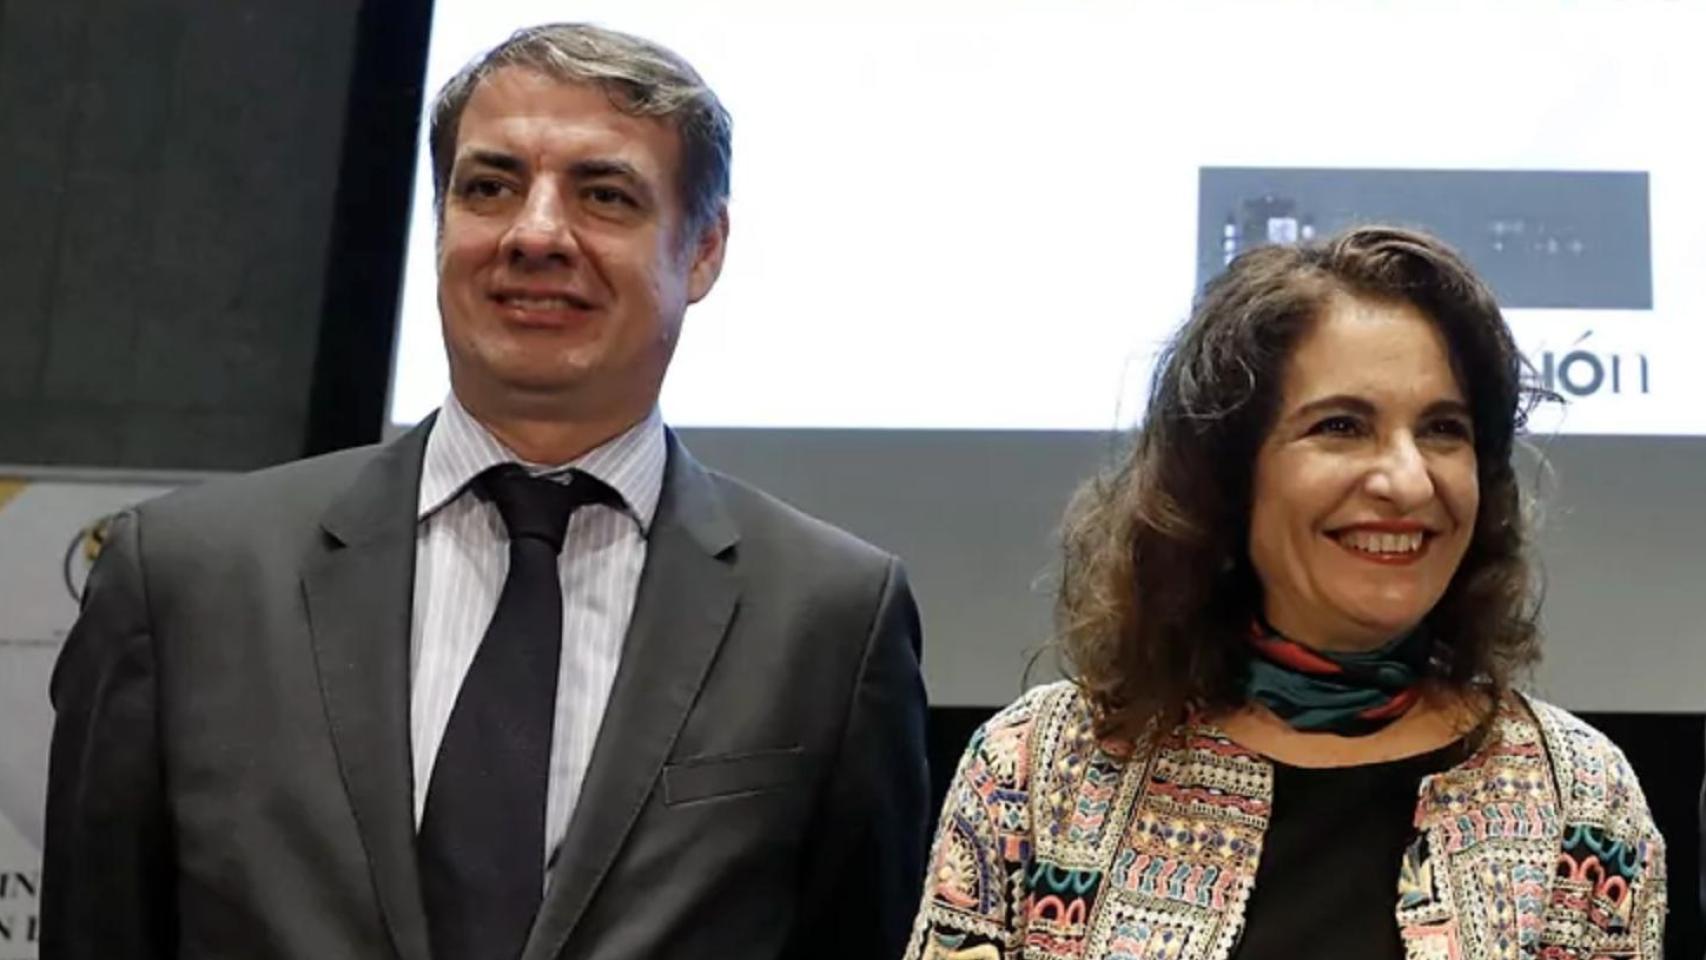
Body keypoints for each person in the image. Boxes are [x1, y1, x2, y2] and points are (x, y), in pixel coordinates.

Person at [43, 23, 928, 960]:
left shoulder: (830, 620)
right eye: (490, 186)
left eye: (605, 195)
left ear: (702, 249)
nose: (536, 233)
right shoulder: (184, 582)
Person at [906, 226, 1665, 959]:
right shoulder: (1037, 773)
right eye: (1341, 426)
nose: (1407, 480)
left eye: (1442, 429)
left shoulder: (1579, 801)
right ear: (1228, 478)